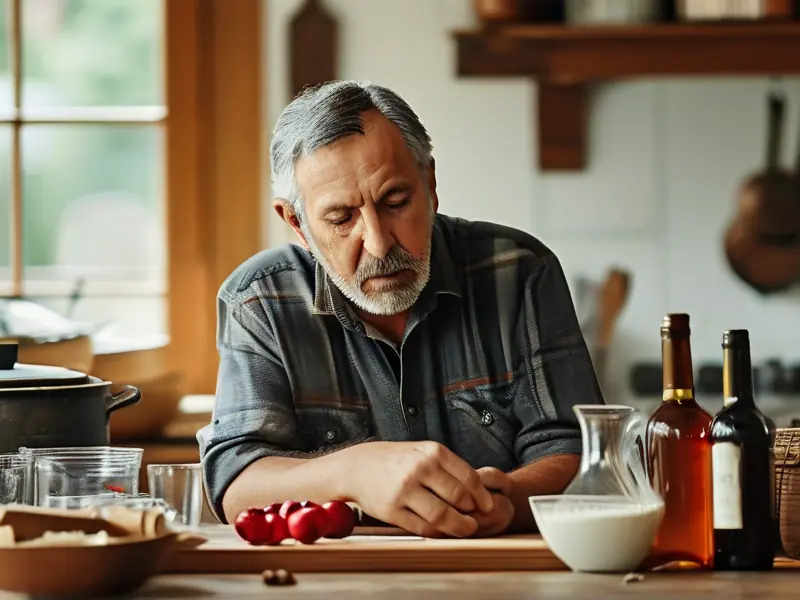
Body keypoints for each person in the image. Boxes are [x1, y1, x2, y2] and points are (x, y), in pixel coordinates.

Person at [197, 80, 605, 538]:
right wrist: (352, 472)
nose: (377, 241)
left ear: (430, 184)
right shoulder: (260, 300)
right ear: (296, 222)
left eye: (395, 202)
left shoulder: (518, 272)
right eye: (341, 219)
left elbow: (578, 447)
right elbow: (234, 479)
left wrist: (508, 499)